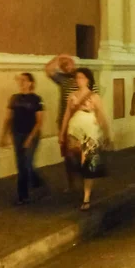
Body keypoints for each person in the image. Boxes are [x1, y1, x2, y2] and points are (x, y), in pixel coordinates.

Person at [59, 68, 110, 210]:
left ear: (87, 79)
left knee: (88, 164)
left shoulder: (94, 97)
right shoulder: (72, 96)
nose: (78, 80)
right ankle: (80, 184)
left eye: (81, 77)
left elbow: (101, 115)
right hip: (74, 130)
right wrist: (62, 132)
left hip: (90, 131)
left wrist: (106, 133)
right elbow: (67, 115)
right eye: (77, 78)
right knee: (73, 160)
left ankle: (86, 197)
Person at [46, 53, 98, 191]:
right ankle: (71, 184)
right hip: (66, 122)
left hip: (84, 124)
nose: (66, 67)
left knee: (83, 154)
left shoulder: (85, 79)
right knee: (68, 157)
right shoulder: (62, 79)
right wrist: (59, 57)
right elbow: (48, 69)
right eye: (63, 66)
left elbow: (96, 100)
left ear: (73, 64)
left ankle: (84, 182)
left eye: (68, 64)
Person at [0, 73, 45, 205]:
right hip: (17, 133)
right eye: (20, 81)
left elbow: (39, 121)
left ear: (31, 83)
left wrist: (30, 138)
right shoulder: (14, 98)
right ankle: (23, 194)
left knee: (27, 163)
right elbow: (9, 118)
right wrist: (4, 135)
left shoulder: (36, 99)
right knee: (21, 165)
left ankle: (31, 186)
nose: (21, 83)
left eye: (24, 80)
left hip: (31, 134)